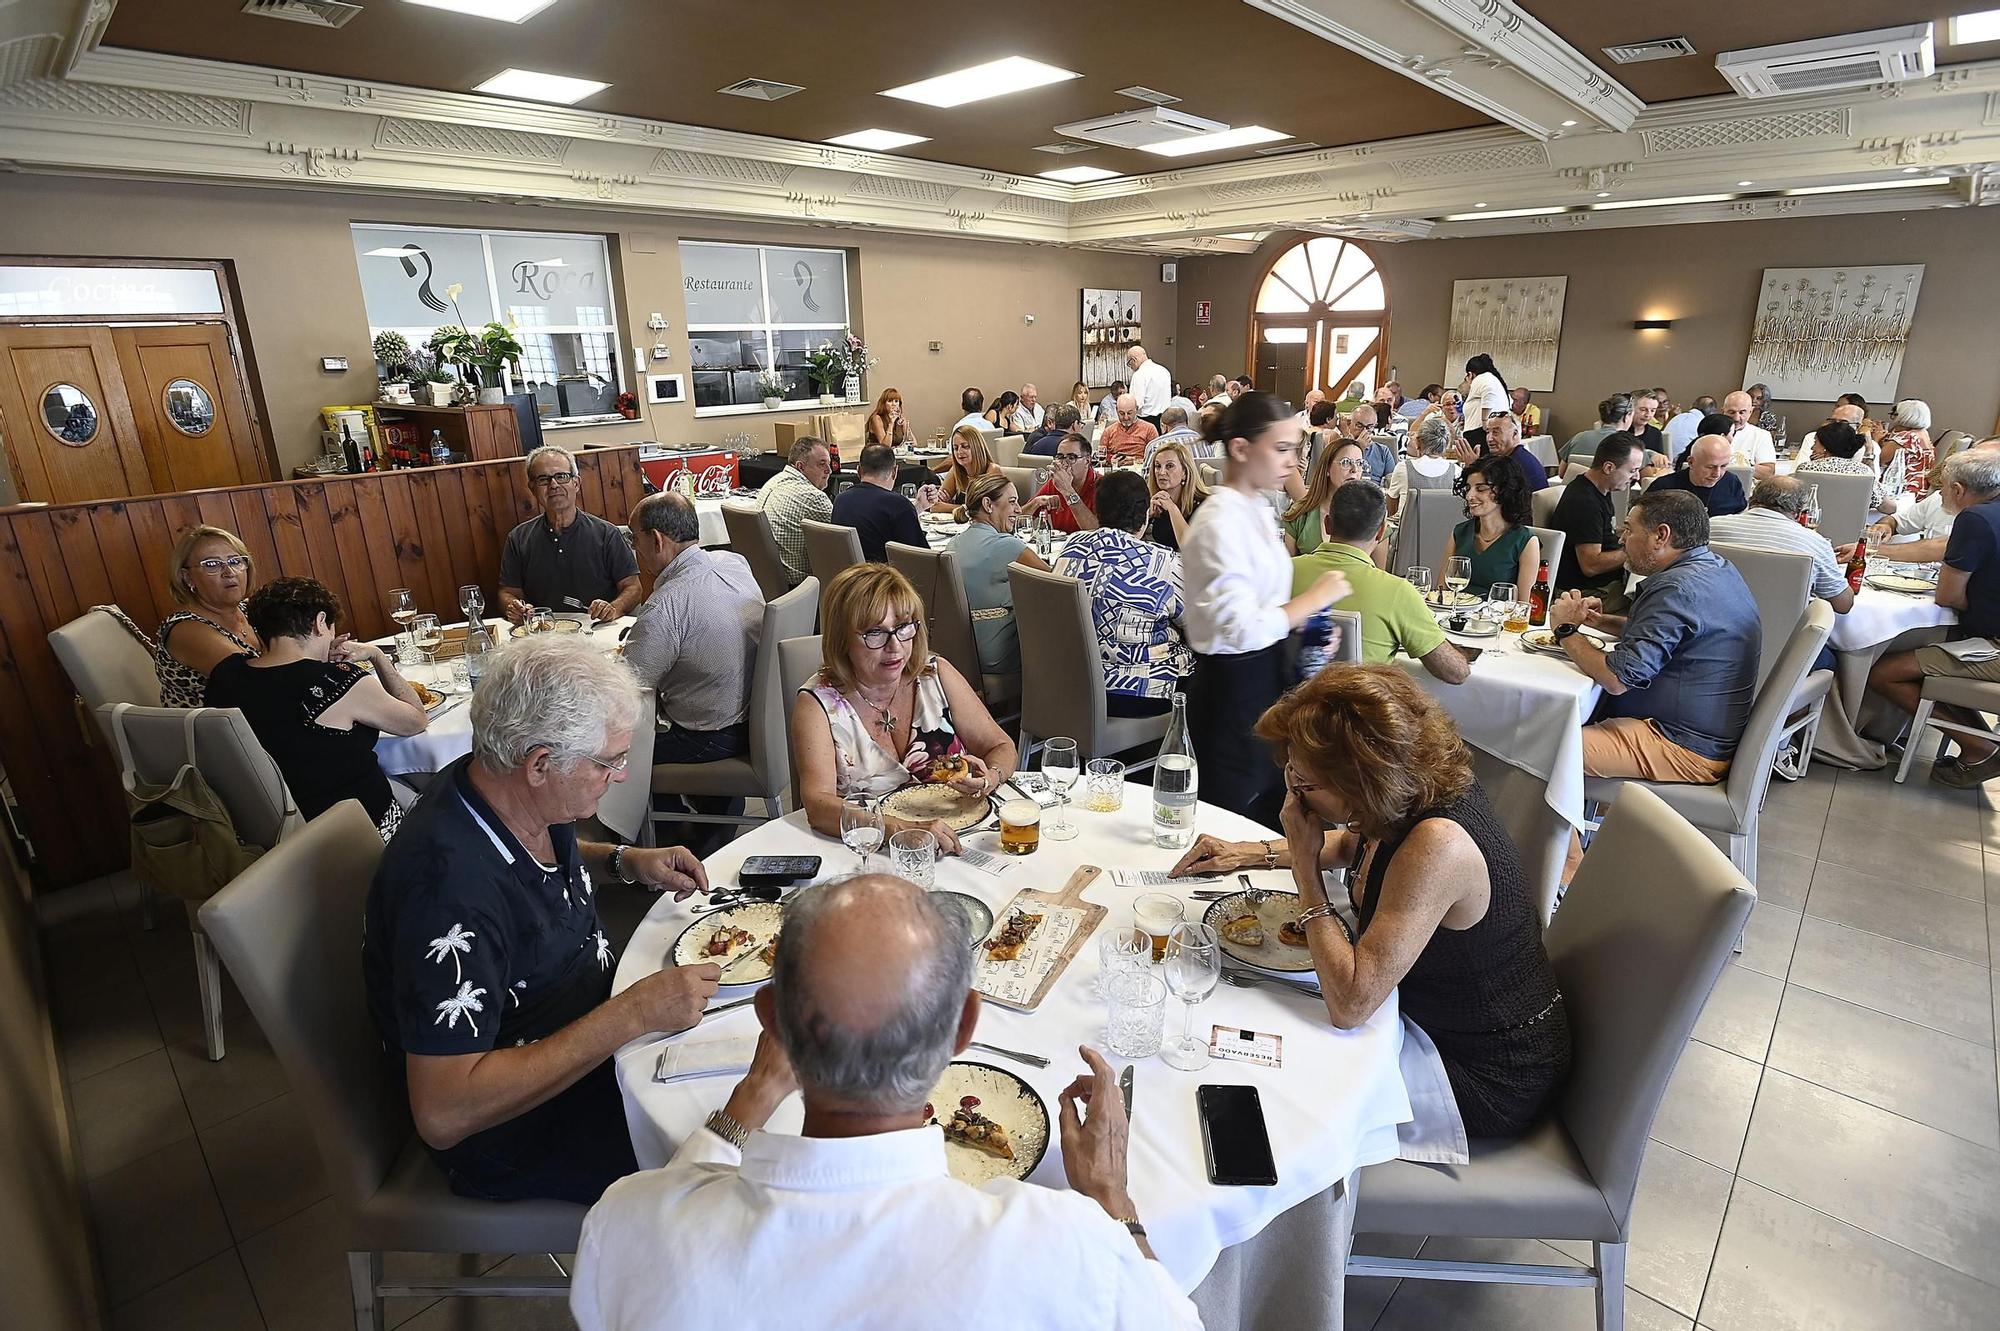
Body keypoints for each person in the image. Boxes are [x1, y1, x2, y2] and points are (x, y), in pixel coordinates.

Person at [570, 875, 1199, 1331]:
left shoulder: (626, 1225)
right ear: (963, 1029)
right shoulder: (1068, 1248)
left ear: (774, 1024)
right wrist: (1114, 1201)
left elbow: (672, 1214)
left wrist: (748, 1101)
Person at [363, 636, 721, 1203]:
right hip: (522, 1126)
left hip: (591, 1031)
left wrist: (624, 862)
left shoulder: (501, 785)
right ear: (540, 764)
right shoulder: (449, 894)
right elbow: (445, 1111)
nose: (621, 775)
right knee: (730, 1158)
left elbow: (532, 860)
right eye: (610, 762)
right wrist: (630, 1015)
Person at [1169, 666, 1568, 1136]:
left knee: (1265, 1076)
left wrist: (1303, 868)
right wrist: (1248, 854)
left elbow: (1351, 1005)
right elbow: (1354, 848)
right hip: (1419, 1014)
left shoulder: (1438, 842)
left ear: (1364, 783)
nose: (1292, 795)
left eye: (1304, 785)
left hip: (1481, 1070)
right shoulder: (1409, 794)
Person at [1182, 391, 1352, 824]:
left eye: (1295, 449)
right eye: (1280, 449)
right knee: (1233, 815)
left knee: (1279, 806)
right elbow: (1238, 629)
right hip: (1231, 689)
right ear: (1240, 449)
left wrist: (1302, 630)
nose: (1292, 461)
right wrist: (1309, 602)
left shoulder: (1257, 507)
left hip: (1267, 676)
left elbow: (1263, 602)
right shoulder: (1219, 521)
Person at [791, 564, 1017, 854]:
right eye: (875, 633)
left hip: (960, 843)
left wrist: (989, 778)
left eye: (903, 628)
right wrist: (898, 829)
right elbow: (817, 805)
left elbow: (1001, 745)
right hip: (869, 855)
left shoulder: (935, 675)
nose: (895, 646)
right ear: (841, 639)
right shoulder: (817, 704)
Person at [1550, 489, 1761, 784]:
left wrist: (1565, 631)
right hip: (1706, 734)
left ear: (1661, 535)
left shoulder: (1676, 588)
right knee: (1554, 725)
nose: (1622, 539)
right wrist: (1601, 622)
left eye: (1629, 529)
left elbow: (1617, 679)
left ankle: (1525, 830)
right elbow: (1672, 638)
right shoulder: (1716, 568)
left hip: (1682, 746)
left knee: (1545, 747)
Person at [205, 577, 424, 838]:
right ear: (320, 622)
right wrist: (376, 655)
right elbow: (416, 720)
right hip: (362, 833)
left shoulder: (225, 675)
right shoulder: (337, 681)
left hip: (274, 838)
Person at [624, 492, 763, 834]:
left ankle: (673, 836)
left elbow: (625, 684)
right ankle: (716, 820)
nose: (634, 549)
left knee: (616, 750)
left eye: (634, 538)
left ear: (656, 540)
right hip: (759, 720)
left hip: (711, 736)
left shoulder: (666, 606)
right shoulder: (735, 563)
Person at [1867, 453, 2000, 786]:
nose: (1939, 496)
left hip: (1993, 647)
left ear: (1957, 489)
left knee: (1885, 673)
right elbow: (1941, 548)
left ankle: (1979, 747)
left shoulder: (1975, 519)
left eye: (1940, 488)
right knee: (1936, 662)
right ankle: (1987, 747)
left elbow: (1948, 597)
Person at [1054, 470, 1195, 717]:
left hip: (1071, 684)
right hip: (1138, 695)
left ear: (1098, 512)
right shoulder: (1164, 563)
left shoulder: (1071, 546)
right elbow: (1197, 625)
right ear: (1145, 517)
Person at [1295, 482, 1468, 681]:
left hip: (1290, 707)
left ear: (1327, 524)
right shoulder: (1397, 592)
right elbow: (1456, 673)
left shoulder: (1285, 571)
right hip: (1362, 708)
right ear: (1381, 532)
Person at [498, 446, 642, 624]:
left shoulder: (607, 534)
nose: (554, 485)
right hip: (543, 633)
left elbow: (633, 587)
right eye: (544, 479)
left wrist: (614, 608)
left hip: (597, 628)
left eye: (561, 476)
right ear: (532, 488)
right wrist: (514, 607)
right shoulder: (518, 538)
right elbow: (508, 592)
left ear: (576, 483)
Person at [1709, 478, 1856, 652]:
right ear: (1798, 510)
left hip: (1711, 638)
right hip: (1783, 650)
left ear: (1752, 498)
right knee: (1839, 656)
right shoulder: (1814, 543)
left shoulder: (1712, 526)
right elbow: (1843, 605)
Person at [949, 473, 1053, 677]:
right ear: (988, 505)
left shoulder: (954, 543)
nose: (1019, 509)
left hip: (962, 652)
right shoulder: (1006, 545)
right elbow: (1059, 585)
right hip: (997, 656)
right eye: (1012, 501)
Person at [155, 524, 261, 708]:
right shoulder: (185, 629)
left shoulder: (250, 608)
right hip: (213, 733)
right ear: (187, 578)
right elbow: (255, 680)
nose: (229, 572)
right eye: (212, 564)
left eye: (235, 561)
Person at [1849, 441, 2000, 565]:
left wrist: (1868, 550)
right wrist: (1886, 526)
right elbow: (1897, 520)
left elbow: (1947, 547)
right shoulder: (1940, 498)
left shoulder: (1987, 517)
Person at [1550, 432, 1646, 613]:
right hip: (1589, 592)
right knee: (1648, 602)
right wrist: (1636, 549)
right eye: (1632, 470)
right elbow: (1591, 565)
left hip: (1604, 583)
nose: (1637, 477)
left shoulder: (1599, 489)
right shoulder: (1584, 502)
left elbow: (1603, 532)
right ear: (1608, 467)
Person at [1448, 455, 1541, 599]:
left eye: (1480, 489)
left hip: (1499, 618)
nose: (1469, 496)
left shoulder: (1525, 541)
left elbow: (1523, 606)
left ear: (1504, 491)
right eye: (1468, 488)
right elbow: (1442, 593)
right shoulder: (1460, 532)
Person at [755, 436, 834, 587]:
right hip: (800, 588)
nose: (829, 471)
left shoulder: (772, 482)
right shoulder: (813, 497)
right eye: (821, 464)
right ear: (800, 467)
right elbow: (843, 541)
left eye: (829, 464)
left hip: (765, 580)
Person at [832, 443, 933, 561]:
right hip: (885, 577)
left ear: (859, 471)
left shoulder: (840, 500)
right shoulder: (898, 504)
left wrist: (919, 506)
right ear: (895, 471)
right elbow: (922, 558)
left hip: (849, 576)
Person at [1647, 433, 1747, 517]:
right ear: (1691, 462)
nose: (1717, 474)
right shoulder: (1664, 487)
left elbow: (1740, 515)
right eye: (1710, 467)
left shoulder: (1732, 482)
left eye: (1723, 466)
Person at [1023, 432, 1101, 532]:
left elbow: (1098, 533)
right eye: (1060, 457)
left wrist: (1068, 491)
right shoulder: (1055, 483)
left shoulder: (1102, 485)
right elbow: (1017, 522)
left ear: (1087, 461)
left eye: (1071, 458)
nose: (1064, 463)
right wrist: (1036, 502)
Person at [1385, 413, 1457, 517]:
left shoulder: (1403, 468)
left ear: (1418, 442)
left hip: (1407, 532)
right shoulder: (1457, 471)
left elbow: (1391, 510)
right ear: (1446, 444)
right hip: (1445, 532)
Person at [1145, 437, 1209, 551]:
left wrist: (1172, 509)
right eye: (1158, 466)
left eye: (1169, 466)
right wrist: (1148, 516)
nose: (1161, 472)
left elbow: (1192, 549)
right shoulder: (1155, 500)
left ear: (1185, 472)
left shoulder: (1204, 505)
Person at [932, 425, 1003, 514]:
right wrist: (958, 507)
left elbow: (984, 510)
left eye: (965, 446)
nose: (959, 452)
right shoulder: (956, 470)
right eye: (955, 448)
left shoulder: (992, 470)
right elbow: (935, 506)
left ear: (977, 447)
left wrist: (948, 507)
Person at [1877, 398, 1936, 502]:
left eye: (1895, 415)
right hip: (1920, 489)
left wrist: (1875, 440)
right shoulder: (1923, 433)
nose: (1893, 420)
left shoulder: (1907, 437)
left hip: (1903, 492)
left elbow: (1879, 460)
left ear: (1904, 416)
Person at [1560, 394, 1635, 466]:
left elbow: (1562, 473)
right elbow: (1645, 477)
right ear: (1627, 416)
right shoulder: (1632, 445)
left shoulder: (1578, 438)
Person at [1719, 391, 1777, 479]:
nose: (1736, 418)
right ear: (1723, 411)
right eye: (1731, 412)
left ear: (1750, 412)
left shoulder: (1761, 435)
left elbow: (1768, 472)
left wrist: (1740, 465)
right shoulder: (1711, 430)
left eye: (1742, 412)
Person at [1483, 411, 1547, 491]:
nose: (1489, 438)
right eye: (1488, 432)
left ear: (1514, 434)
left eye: (1496, 432)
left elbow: (1491, 494)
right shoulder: (1515, 455)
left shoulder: (1515, 463)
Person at [1459, 354, 1509, 448]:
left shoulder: (1482, 378)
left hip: (1479, 435)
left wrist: (1484, 421)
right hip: (1481, 432)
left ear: (1470, 374)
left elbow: (1489, 393)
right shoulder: (1492, 379)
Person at [1099, 392, 1157, 465]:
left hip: (1139, 470)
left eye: (1129, 413)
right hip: (1116, 471)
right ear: (1116, 411)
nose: (1126, 418)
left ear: (1136, 409)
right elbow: (1101, 458)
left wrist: (1135, 461)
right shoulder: (1108, 431)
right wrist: (1111, 460)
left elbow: (1155, 458)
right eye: (1122, 413)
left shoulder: (1149, 429)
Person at [1124, 343, 1171, 427]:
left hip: (1147, 421)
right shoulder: (1164, 371)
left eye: (1129, 363)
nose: (1130, 367)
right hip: (1166, 420)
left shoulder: (1139, 375)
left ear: (1134, 359)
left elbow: (1136, 404)